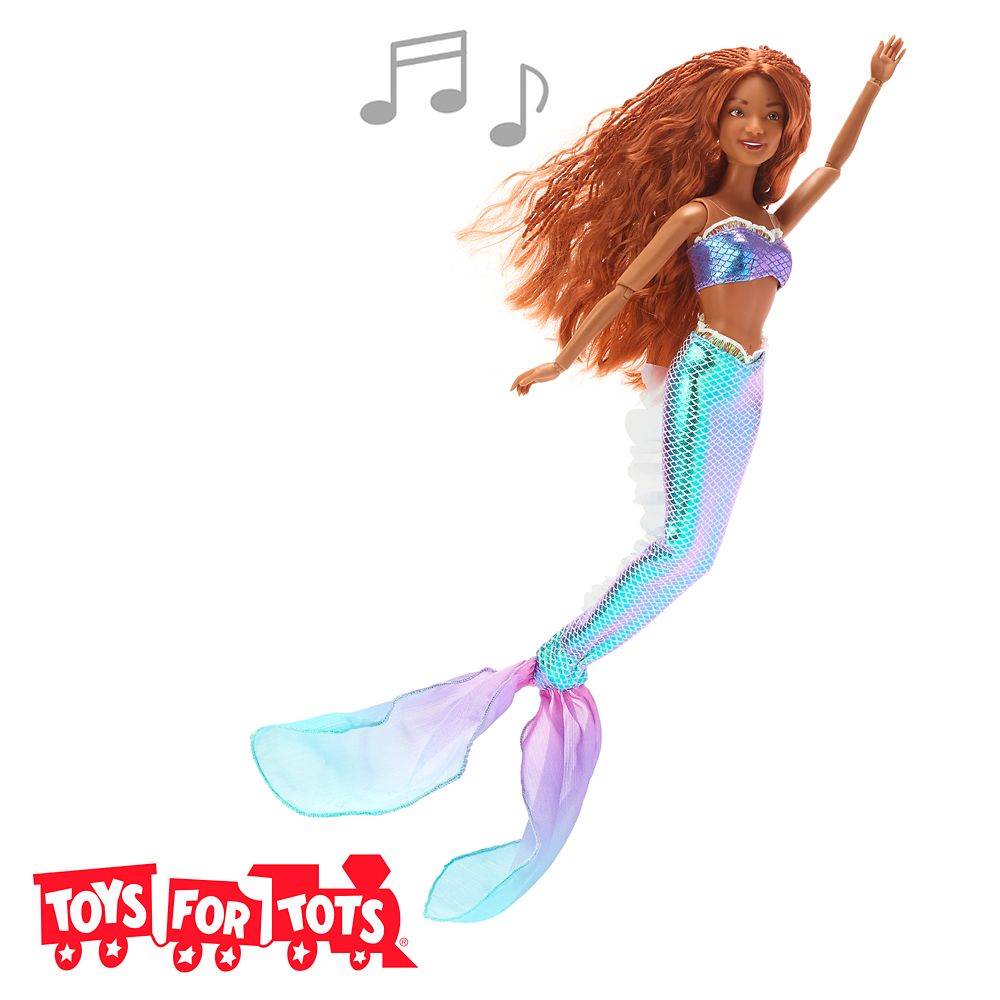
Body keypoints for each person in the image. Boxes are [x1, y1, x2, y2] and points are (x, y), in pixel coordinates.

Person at [251, 38, 907, 924]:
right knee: (683, 547)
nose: (755, 126)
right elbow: (626, 287)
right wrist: (563, 360)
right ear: (713, 125)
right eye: (739, 111)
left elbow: (833, 167)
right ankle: (561, 661)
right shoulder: (698, 214)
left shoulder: (768, 218)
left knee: (700, 553)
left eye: (770, 114)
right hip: (709, 375)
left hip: (752, 385)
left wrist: (871, 87)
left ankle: (568, 658)